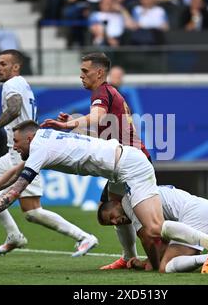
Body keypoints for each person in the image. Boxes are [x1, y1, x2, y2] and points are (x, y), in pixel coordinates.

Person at [0, 121, 200, 270]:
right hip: (118, 168)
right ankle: (130, 258)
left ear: (30, 137)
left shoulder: (39, 148)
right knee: (112, 212)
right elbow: (13, 171)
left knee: (154, 228)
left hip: (131, 167)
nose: (15, 147)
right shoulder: (43, 138)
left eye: (17, 142)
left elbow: (16, 188)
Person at [0, 50, 97, 257]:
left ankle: (84, 236)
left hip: (24, 152)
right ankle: (14, 235)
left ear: (16, 67)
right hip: (15, 150)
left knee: (32, 212)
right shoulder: (22, 84)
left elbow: (14, 109)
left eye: (3, 64)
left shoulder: (12, 85)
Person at [41, 53, 151, 270]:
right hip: (126, 160)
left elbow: (97, 119)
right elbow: (105, 130)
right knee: (113, 209)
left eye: (85, 71)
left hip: (130, 163)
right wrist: (76, 124)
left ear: (99, 72)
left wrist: (69, 126)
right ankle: (130, 257)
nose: (81, 76)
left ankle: (167, 254)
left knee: (137, 213)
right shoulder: (112, 92)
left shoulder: (101, 92)